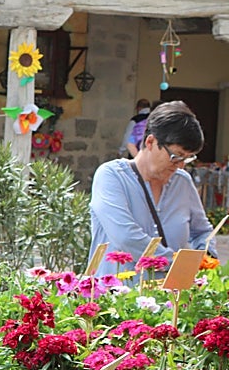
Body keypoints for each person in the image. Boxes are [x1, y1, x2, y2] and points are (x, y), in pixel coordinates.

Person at [89, 100, 216, 276]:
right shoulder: (111, 176)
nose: (180, 166)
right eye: (176, 156)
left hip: (170, 299)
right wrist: (176, 264)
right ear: (150, 142)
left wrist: (206, 259)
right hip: (118, 298)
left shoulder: (183, 182)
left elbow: (202, 232)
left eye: (187, 159)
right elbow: (126, 237)